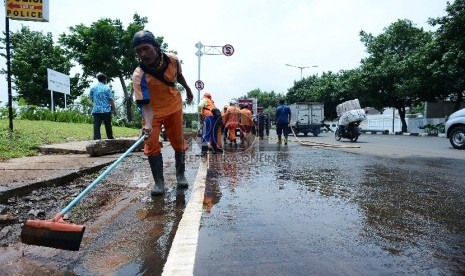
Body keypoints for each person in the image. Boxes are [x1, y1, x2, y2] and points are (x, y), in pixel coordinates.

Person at [132, 30, 194, 196]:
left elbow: (178, 76)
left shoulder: (172, 59)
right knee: (151, 144)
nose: (143, 54)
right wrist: (148, 124)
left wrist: (188, 89)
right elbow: (144, 105)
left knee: (178, 141)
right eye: (138, 51)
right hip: (153, 111)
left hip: (174, 106)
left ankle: (180, 175)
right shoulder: (139, 76)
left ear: (156, 47)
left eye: (146, 48)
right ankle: (159, 183)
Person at [89, 73, 116, 140]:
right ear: (104, 80)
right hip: (106, 110)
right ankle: (110, 138)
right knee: (108, 125)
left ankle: (96, 140)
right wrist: (114, 109)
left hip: (96, 110)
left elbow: (92, 99)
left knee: (96, 126)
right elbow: (110, 99)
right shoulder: (107, 88)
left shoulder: (93, 88)